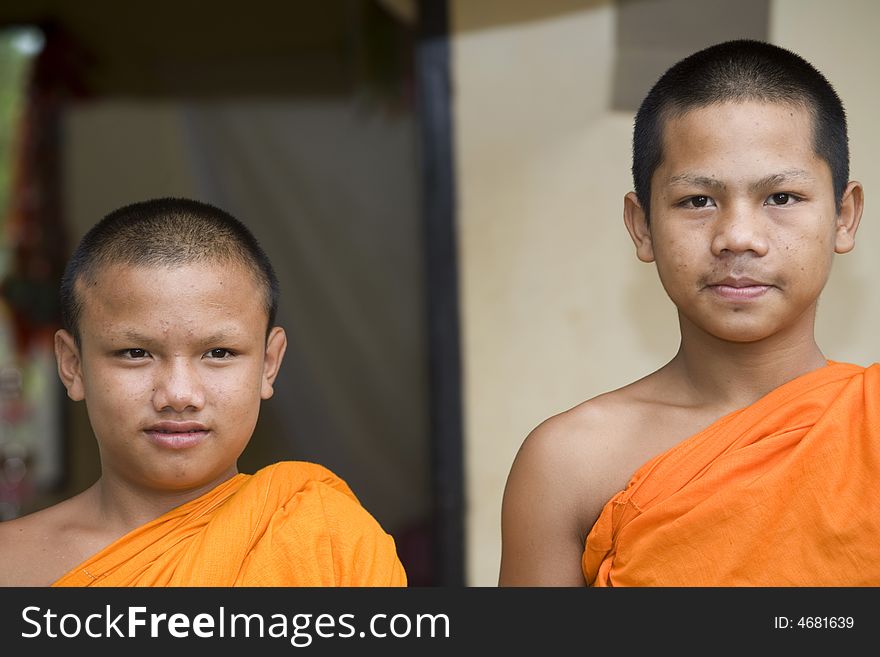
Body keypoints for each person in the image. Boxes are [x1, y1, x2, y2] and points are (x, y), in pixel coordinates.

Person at [499, 39, 879, 586]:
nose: (738, 238)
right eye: (698, 201)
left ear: (844, 216)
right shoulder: (569, 463)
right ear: (642, 225)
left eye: (782, 197)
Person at [0, 197, 407, 586]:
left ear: (269, 363)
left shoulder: (332, 543)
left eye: (219, 352)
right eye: (135, 352)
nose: (178, 394)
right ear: (73, 366)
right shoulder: (12, 564)